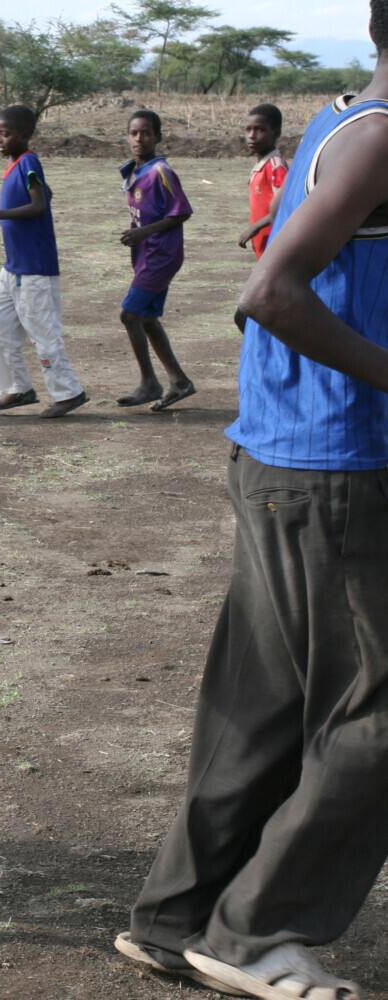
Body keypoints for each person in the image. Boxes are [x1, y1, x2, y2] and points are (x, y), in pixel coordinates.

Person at [120, 6, 388, 995]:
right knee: (377, 709)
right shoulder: (380, 136)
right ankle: (257, 931)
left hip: (290, 457)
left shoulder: (345, 118)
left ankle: (178, 917)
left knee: (263, 702)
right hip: (335, 467)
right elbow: (270, 292)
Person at [0, 104, 87, 418]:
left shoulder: (28, 161)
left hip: (34, 268)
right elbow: (45, 192)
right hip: (14, 265)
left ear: (24, 135)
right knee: (0, 327)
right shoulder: (15, 164)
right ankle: (17, 389)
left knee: (42, 332)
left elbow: (39, 205)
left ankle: (69, 393)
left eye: (5, 134)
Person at [117, 110, 196, 411]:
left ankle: (149, 383)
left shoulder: (161, 171)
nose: (140, 138)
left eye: (146, 133)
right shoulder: (134, 172)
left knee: (129, 315)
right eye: (134, 133)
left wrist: (144, 232)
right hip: (146, 254)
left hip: (161, 255)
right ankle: (179, 381)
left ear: (158, 137)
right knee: (147, 318)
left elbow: (182, 212)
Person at [238, 103, 288, 258]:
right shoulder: (262, 165)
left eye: (260, 130)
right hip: (264, 246)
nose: (252, 136)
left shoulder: (275, 166)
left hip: (275, 246)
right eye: (248, 130)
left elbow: (287, 204)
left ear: (276, 133)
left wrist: (255, 227)